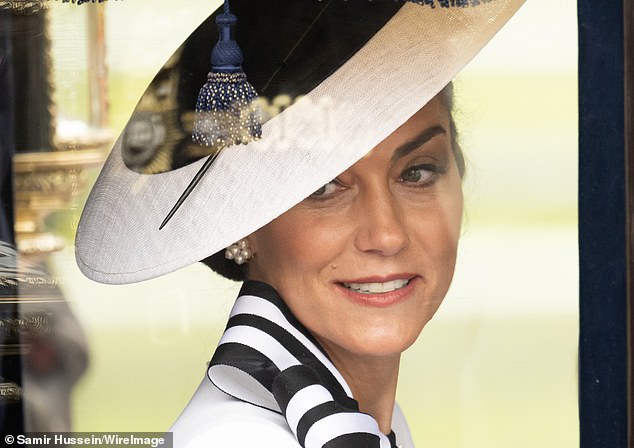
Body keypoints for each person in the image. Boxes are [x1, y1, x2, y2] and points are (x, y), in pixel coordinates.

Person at [75, 1, 525, 447]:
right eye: (325, 187)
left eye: (417, 172)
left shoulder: (359, 423)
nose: (386, 234)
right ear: (243, 224)